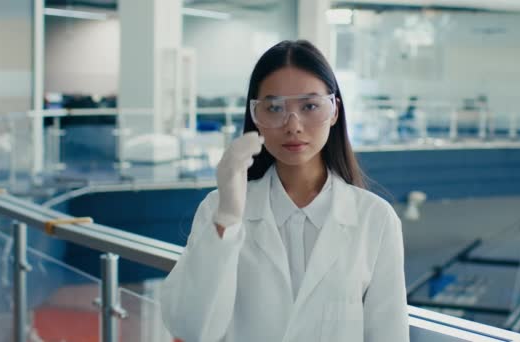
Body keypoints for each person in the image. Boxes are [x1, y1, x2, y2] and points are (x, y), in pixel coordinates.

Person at [161, 40, 409, 342]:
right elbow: (190, 327)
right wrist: (227, 220)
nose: (293, 125)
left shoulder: (375, 218)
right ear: (255, 115)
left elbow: (389, 334)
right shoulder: (218, 208)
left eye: (309, 106)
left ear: (334, 111)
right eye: (275, 107)